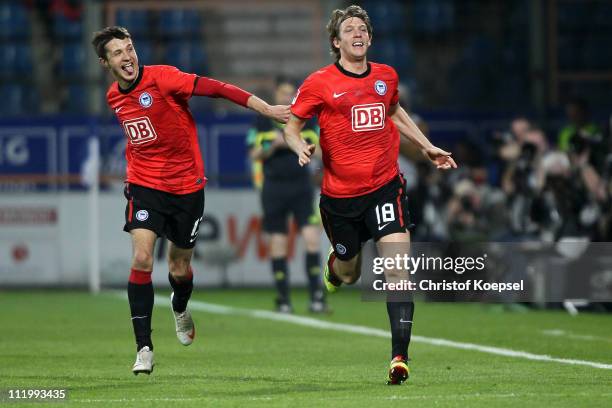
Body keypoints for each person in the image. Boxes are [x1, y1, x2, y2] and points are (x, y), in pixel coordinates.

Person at [91, 26, 289, 375]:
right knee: (141, 258)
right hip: (144, 185)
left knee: (178, 269)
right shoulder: (113, 97)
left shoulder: (164, 78)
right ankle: (144, 348)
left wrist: (266, 109)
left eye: (130, 48)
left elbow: (219, 88)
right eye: (118, 52)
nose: (128, 56)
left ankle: (180, 307)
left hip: (186, 188)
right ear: (106, 62)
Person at [283, 5, 456, 385]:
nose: (357, 33)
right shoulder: (319, 83)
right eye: (349, 29)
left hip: (384, 187)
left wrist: (426, 146)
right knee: (349, 272)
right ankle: (335, 266)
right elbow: (292, 125)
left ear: (370, 38)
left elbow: (394, 112)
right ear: (337, 41)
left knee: (397, 270)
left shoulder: (385, 77)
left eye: (362, 28)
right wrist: (298, 146)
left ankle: (399, 357)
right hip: (340, 199)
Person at [246, 77, 328, 314]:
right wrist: (274, 146)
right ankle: (283, 299)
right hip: (273, 188)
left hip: (301, 186)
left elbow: (321, 152)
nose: (287, 98)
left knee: (312, 239)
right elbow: (253, 154)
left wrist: (311, 150)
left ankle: (316, 297)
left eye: (290, 94)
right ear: (275, 95)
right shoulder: (262, 122)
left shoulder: (307, 120)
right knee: (278, 243)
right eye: (283, 93)